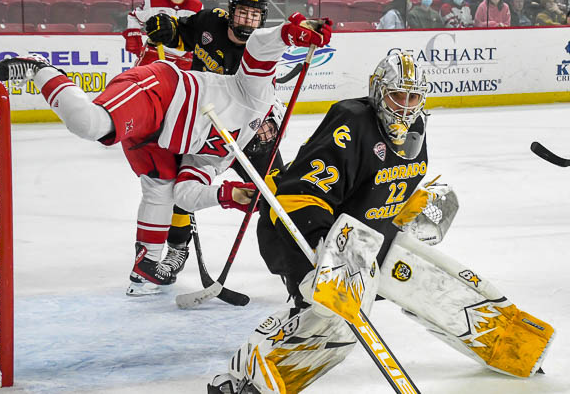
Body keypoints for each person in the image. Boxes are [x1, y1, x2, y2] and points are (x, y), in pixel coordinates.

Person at [207, 51, 555, 394]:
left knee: (432, 279)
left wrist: (408, 211)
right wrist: (323, 250)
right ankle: (243, 381)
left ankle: (510, 343)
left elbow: (381, 185)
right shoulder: (350, 123)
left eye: (413, 97)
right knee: (333, 321)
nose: (405, 106)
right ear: (377, 91)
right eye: (397, 96)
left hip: (368, 237)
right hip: (303, 233)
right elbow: (299, 196)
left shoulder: (417, 127)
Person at [0, 13, 332, 296]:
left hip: (160, 139)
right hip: (162, 93)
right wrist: (291, 32)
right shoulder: (256, 94)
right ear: (269, 112)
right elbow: (259, 47)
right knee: (90, 124)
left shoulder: (225, 155)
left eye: (271, 135)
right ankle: (43, 69)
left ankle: (146, 265)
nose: (265, 135)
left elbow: (185, 193)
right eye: (268, 126)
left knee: (162, 186)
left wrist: (226, 195)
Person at [140, 0, 285, 290]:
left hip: (246, 133)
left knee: (278, 192)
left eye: (254, 15)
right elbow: (181, 33)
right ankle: (177, 248)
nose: (247, 21)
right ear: (231, 12)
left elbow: (270, 92)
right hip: (202, 128)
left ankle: (291, 256)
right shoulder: (209, 21)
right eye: (242, 13)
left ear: (262, 19)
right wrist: (165, 28)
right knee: (182, 188)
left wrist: (271, 119)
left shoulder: (260, 46)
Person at [122, 0, 203, 69]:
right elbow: (135, 17)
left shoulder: (196, 6)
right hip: (155, 53)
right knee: (138, 77)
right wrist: (134, 39)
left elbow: (201, 32)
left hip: (183, 57)